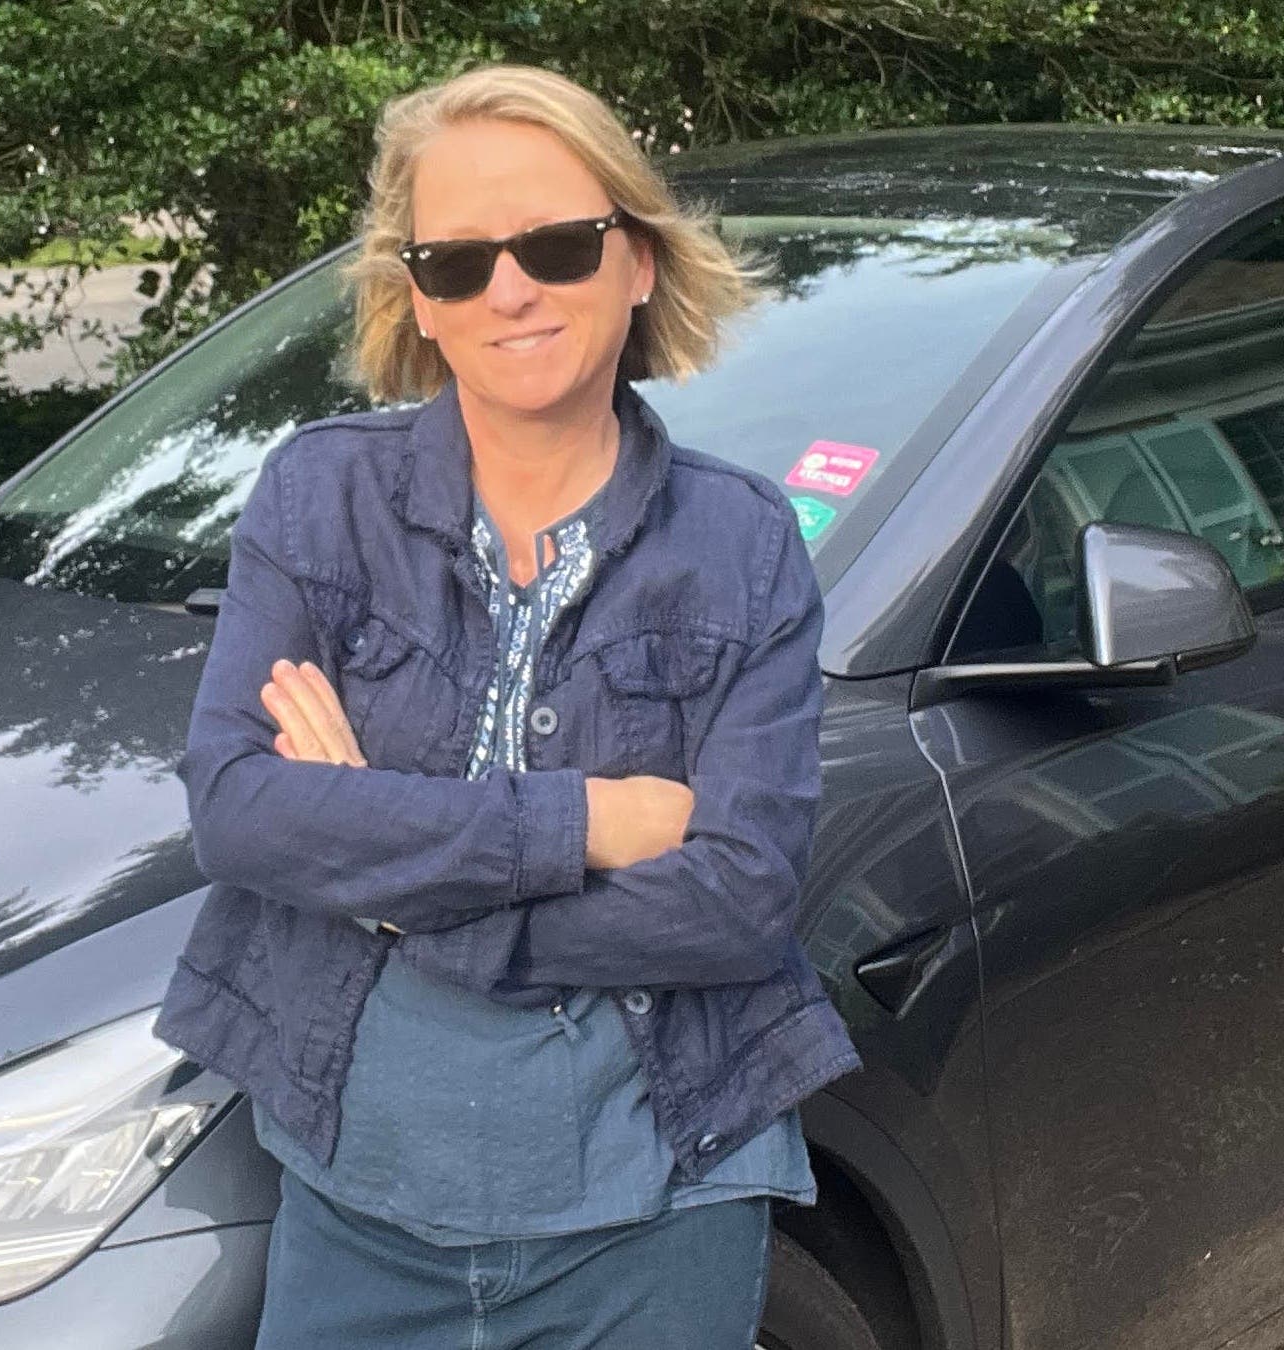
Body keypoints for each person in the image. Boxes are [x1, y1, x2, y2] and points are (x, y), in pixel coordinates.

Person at [147, 62, 862, 1348]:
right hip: (358, 1208)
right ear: (419, 299)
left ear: (638, 261)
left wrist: (388, 878)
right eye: (459, 262)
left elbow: (739, 896)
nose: (511, 289)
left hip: (659, 1201)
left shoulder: (744, 543)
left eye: (557, 244)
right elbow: (241, 812)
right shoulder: (320, 501)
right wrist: (585, 822)